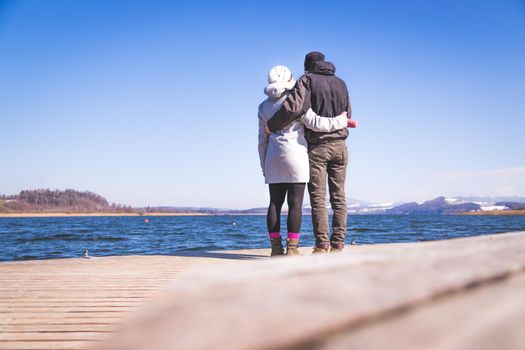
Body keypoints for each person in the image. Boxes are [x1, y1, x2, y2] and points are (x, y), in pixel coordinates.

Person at [267, 52, 356, 253]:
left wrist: (271, 125)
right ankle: (339, 243)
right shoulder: (341, 82)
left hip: (318, 146)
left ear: (307, 65)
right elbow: (347, 114)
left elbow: (293, 108)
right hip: (341, 145)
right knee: (339, 197)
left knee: (318, 198)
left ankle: (322, 244)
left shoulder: (306, 80)